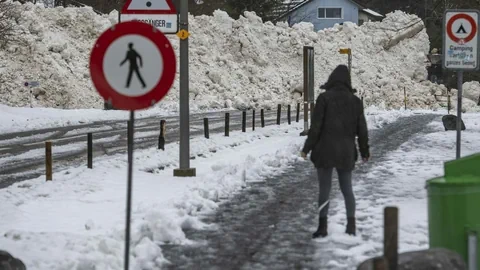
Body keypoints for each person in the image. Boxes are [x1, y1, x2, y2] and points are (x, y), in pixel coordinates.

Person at [300, 65, 370, 238]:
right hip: (346, 152)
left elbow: (315, 127)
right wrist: (364, 151)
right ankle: (351, 225)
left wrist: (306, 148)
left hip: (324, 151)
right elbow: (362, 130)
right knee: (347, 188)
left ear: (331, 80)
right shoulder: (355, 102)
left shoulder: (324, 98)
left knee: (324, 189)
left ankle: (322, 227)